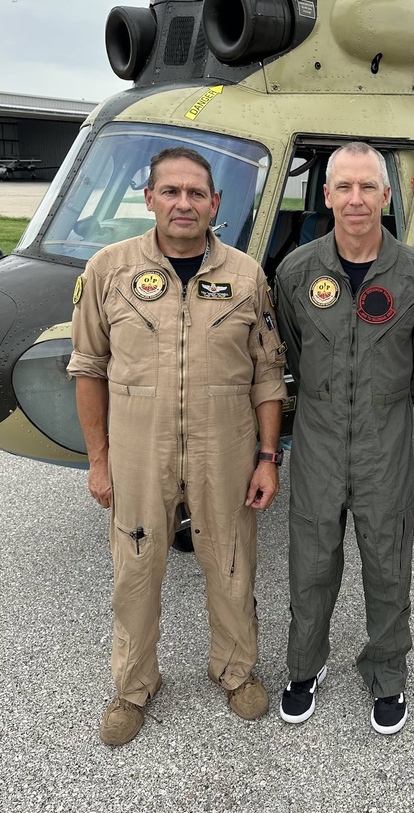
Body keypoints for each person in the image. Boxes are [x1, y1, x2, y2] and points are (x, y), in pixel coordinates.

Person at [68, 147, 287, 746]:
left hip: (228, 448)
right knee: (135, 571)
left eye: (197, 194)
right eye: (171, 192)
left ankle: (235, 670)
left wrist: (267, 457)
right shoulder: (109, 270)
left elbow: (268, 373)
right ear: (150, 199)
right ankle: (133, 686)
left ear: (216, 204)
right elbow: (87, 366)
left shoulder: (246, 275)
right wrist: (100, 460)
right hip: (140, 450)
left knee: (233, 563)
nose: (184, 203)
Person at [274, 141, 414, 735]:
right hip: (319, 442)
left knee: (388, 559)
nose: (355, 199)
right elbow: (293, 352)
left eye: (366, 187)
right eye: (342, 187)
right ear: (325, 196)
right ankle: (304, 667)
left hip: (385, 444)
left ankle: (387, 673)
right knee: (312, 560)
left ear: (385, 195)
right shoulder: (296, 272)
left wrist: (383, 398)